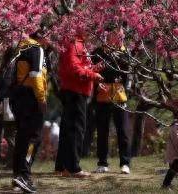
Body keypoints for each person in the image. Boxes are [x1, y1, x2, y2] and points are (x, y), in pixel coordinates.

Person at [54, 33, 103, 177]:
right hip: (75, 92)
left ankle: (62, 166)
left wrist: (93, 69)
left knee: (68, 130)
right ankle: (73, 168)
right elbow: (74, 69)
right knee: (76, 130)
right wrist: (93, 75)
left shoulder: (78, 44)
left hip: (75, 90)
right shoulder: (74, 44)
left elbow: (80, 67)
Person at [10, 32, 49, 193]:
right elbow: (36, 74)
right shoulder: (36, 49)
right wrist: (41, 99)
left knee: (22, 137)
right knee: (34, 138)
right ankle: (24, 176)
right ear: (42, 35)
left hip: (16, 97)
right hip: (30, 97)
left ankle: (17, 176)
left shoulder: (20, 48)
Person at [92, 44, 132, 174]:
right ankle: (102, 163)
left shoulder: (124, 52)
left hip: (120, 95)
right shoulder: (97, 52)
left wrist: (127, 89)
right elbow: (91, 71)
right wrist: (96, 84)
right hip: (102, 96)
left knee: (123, 131)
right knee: (102, 131)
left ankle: (125, 163)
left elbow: (129, 74)